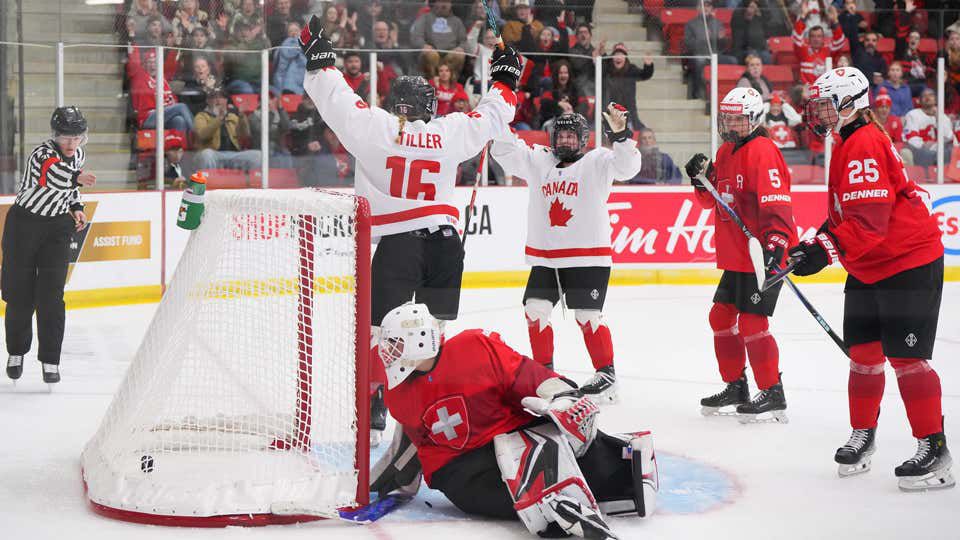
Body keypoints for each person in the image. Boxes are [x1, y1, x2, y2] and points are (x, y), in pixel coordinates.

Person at [299, 15, 521, 442]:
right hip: (444, 245)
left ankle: (373, 406)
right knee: (433, 332)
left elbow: (336, 98)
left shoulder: (373, 126)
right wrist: (505, 76)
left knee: (379, 331)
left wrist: (321, 59)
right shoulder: (450, 131)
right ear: (430, 107)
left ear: (391, 101)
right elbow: (494, 114)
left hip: (399, 247)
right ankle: (432, 404)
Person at [370, 301, 658, 539]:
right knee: (524, 473)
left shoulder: (473, 346)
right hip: (459, 470)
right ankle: (556, 507)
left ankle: (621, 470)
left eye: (395, 344)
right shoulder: (399, 393)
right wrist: (388, 482)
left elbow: (524, 374)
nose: (388, 352)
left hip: (511, 436)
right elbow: (412, 445)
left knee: (562, 448)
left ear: (419, 339)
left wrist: (563, 394)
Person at [792, 67, 952, 491]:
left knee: (906, 359)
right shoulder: (849, 139)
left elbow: (870, 223)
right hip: (868, 262)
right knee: (863, 355)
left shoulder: (863, 142)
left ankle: (933, 448)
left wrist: (824, 251)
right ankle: (863, 434)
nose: (819, 112)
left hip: (906, 262)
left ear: (849, 103)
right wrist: (814, 241)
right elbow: (847, 214)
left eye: (826, 104)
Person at [491, 106, 642, 403]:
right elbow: (507, 154)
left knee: (587, 316)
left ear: (583, 138)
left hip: (588, 255)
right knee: (535, 309)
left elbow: (628, 168)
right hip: (547, 258)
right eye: (561, 136)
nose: (565, 142)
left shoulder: (597, 161)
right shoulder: (539, 161)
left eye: (572, 137)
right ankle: (544, 374)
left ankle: (607, 375)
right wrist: (497, 123)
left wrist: (622, 136)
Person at [684, 87, 796, 423]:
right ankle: (736, 386)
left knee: (751, 321)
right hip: (739, 256)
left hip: (764, 253)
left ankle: (772, 391)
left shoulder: (763, 150)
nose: (731, 123)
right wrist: (701, 180)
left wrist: (776, 244)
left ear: (755, 119)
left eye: (738, 118)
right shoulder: (727, 150)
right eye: (727, 117)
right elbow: (714, 201)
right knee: (721, 317)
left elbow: (778, 202)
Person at [4, 107, 96, 384]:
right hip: (24, 226)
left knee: (52, 296)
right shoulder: (41, 155)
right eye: (66, 137)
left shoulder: (78, 153)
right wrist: (76, 179)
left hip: (57, 227)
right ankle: (16, 352)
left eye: (77, 137)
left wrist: (77, 206)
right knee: (20, 294)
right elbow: (52, 177)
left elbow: (70, 189)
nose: (71, 143)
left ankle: (50, 360)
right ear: (55, 135)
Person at [192, 86, 261, 172]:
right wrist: (219, 119)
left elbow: (245, 135)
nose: (218, 100)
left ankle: (251, 183)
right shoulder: (201, 116)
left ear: (226, 101)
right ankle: (210, 182)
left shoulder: (232, 116)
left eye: (221, 97)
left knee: (258, 155)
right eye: (214, 97)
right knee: (206, 155)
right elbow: (202, 135)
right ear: (208, 101)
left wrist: (242, 117)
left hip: (233, 155)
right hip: (214, 154)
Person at [130, 49, 195, 134]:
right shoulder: (140, 76)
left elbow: (171, 66)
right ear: (144, 65)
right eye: (149, 62)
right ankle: (197, 135)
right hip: (147, 118)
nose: (152, 65)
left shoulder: (162, 78)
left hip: (163, 114)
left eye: (155, 62)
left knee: (179, 120)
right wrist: (131, 39)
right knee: (181, 107)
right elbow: (133, 65)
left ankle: (178, 145)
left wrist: (174, 47)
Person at [685, 0, 737, 100]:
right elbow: (688, 44)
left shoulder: (717, 23)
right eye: (703, 6)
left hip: (716, 55)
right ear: (698, 8)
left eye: (708, 6)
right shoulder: (691, 24)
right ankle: (699, 91)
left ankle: (727, 91)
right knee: (699, 61)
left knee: (732, 60)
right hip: (700, 54)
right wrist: (704, 39)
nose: (706, 8)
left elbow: (723, 46)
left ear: (711, 9)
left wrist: (722, 39)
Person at [410, 0, 468, 80]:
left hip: (449, 56)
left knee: (459, 55)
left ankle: (451, 85)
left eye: (447, 2)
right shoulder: (425, 18)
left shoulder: (457, 21)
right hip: (431, 53)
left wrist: (461, 47)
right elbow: (416, 37)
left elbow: (464, 40)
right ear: (435, 3)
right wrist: (423, 45)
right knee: (430, 54)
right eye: (441, 1)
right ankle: (433, 84)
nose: (444, 4)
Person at [792, 4, 847, 85]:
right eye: (813, 36)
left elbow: (840, 41)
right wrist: (803, 16)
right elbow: (796, 36)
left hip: (825, 90)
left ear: (823, 38)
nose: (816, 39)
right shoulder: (803, 51)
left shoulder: (828, 51)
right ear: (809, 39)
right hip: (808, 90)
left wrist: (835, 21)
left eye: (819, 36)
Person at [602, 43, 653, 130]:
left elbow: (645, 75)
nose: (618, 57)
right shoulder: (606, 69)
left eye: (622, 54)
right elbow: (602, 64)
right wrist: (602, 54)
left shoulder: (631, 69)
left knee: (644, 133)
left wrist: (648, 66)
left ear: (626, 57)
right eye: (616, 54)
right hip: (609, 113)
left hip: (628, 114)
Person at [901, 88, 956, 167]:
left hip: (940, 152)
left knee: (950, 151)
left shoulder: (943, 117)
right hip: (921, 151)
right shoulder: (913, 115)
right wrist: (923, 145)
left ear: (936, 100)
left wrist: (938, 118)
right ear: (919, 100)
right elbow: (911, 138)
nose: (928, 97)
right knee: (929, 154)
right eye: (924, 96)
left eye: (931, 95)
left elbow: (949, 137)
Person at [569, 23, 605, 94]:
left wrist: (603, 54)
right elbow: (577, 65)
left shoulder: (595, 51)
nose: (583, 35)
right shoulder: (571, 51)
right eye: (580, 33)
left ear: (590, 36)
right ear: (576, 37)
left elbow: (604, 70)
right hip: (578, 86)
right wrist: (592, 55)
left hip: (594, 85)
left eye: (585, 32)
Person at [273, 21, 307, 95]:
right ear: (288, 34)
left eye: (296, 30)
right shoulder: (287, 43)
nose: (294, 33)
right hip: (288, 78)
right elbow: (287, 55)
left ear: (301, 31)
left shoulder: (307, 43)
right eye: (291, 31)